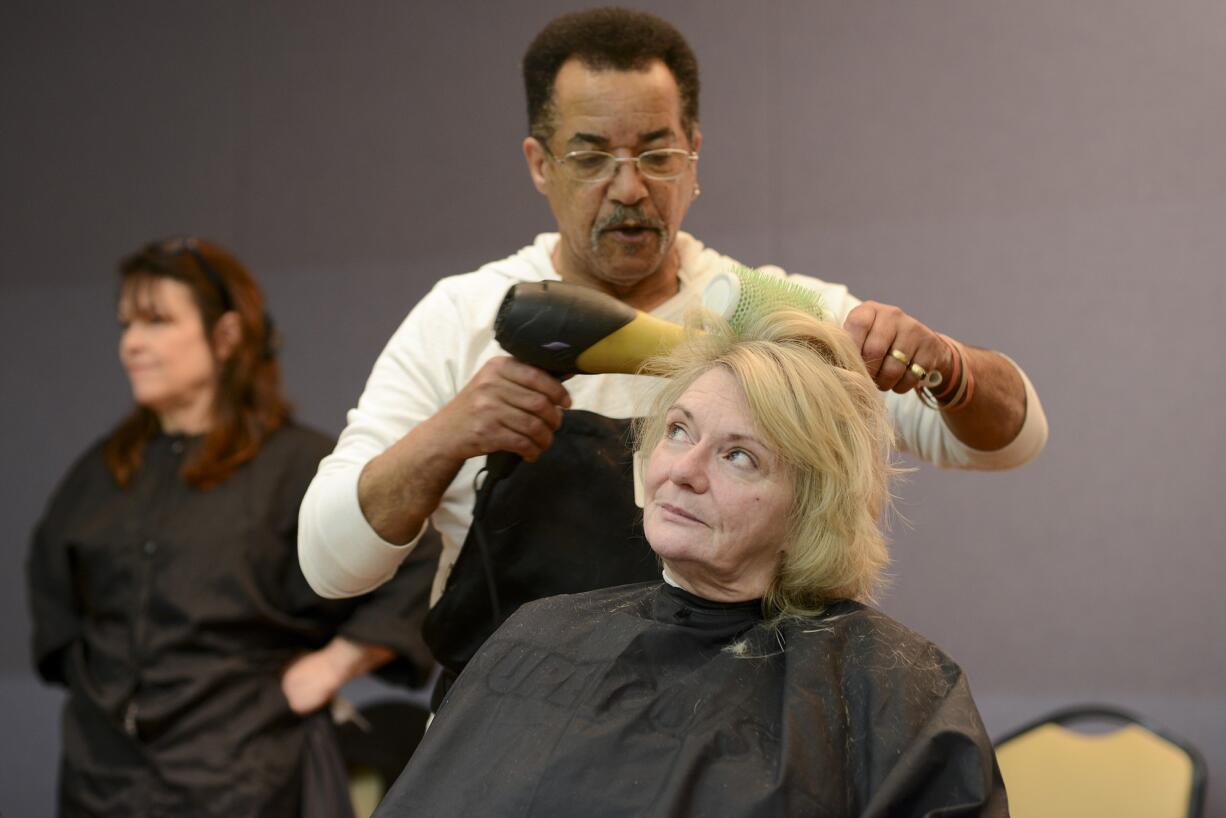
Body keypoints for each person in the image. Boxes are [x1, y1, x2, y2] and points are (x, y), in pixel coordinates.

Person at [298, 7, 1047, 693]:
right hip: (507, 738)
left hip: (730, 738)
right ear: (539, 162)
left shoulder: (768, 311)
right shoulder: (461, 319)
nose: (629, 189)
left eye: (657, 155)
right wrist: (447, 437)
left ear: (693, 152)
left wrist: (944, 366)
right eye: (591, 158)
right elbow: (330, 564)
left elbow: (1009, 440)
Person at [370, 307, 1008, 817]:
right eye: (679, 430)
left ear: (812, 508)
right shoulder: (537, 633)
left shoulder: (892, 690)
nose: (683, 471)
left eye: (739, 456)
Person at [26, 238, 435, 817]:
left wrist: (332, 666)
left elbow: (415, 560)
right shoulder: (100, 473)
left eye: (157, 321)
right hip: (104, 782)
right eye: (126, 325)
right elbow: (54, 595)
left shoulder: (295, 466)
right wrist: (97, 690)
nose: (131, 345)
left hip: (245, 776)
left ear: (226, 336)